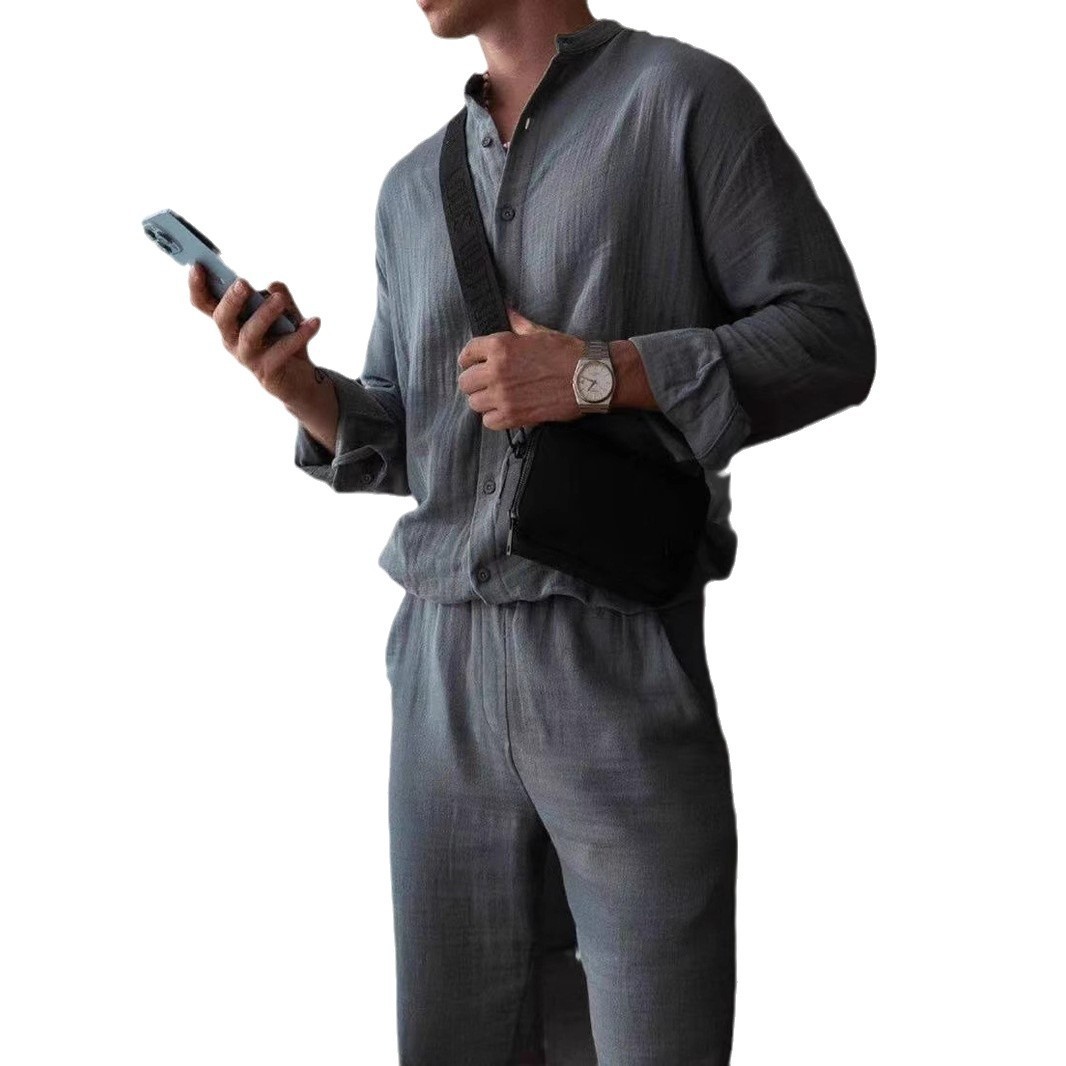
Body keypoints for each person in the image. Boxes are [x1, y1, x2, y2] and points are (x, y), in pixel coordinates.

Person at [188, 3, 875, 1062]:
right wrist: (301, 389)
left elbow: (830, 341)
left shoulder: (681, 101)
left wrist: (598, 374)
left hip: (617, 648)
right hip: (439, 675)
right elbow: (418, 438)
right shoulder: (412, 189)